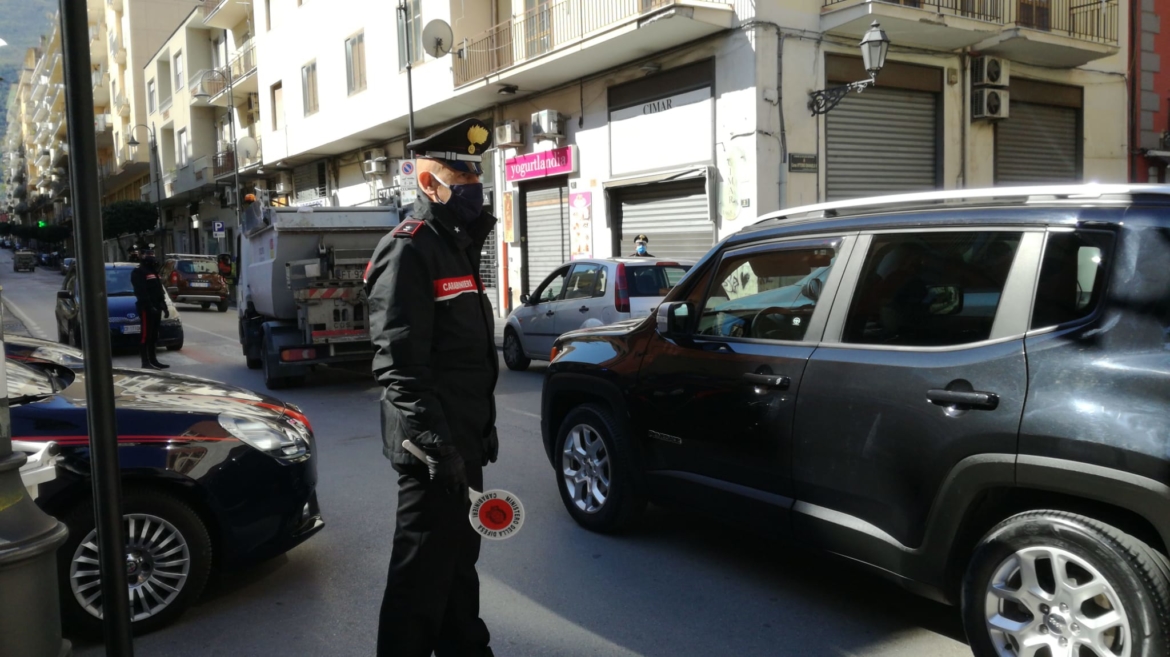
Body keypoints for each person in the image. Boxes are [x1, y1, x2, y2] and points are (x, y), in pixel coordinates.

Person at [366, 117, 499, 657]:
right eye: (463, 177)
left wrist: (474, 440)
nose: (475, 187)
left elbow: (465, 357)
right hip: (431, 451)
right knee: (419, 580)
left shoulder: (456, 245)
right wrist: (439, 448)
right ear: (429, 183)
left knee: (459, 564)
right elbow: (399, 366)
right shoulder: (410, 249)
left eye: (477, 176)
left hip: (462, 443)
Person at [130, 252, 170, 370]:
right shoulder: (139, 272)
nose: (153, 260)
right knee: (145, 335)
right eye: (150, 256)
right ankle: (145, 362)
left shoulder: (153, 272)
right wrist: (149, 306)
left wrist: (164, 306)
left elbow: (159, 291)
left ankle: (153, 360)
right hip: (146, 308)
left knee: (154, 335)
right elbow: (141, 291)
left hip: (157, 307)